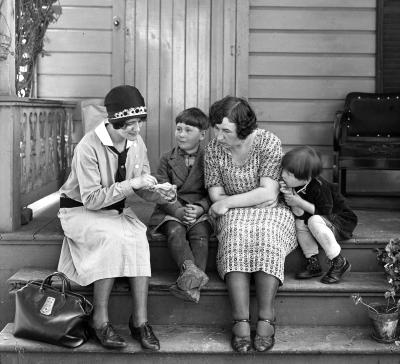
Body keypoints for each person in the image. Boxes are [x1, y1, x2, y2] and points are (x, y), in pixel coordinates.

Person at [57, 85, 176, 351]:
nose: (135, 130)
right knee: (110, 238)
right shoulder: (88, 146)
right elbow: (91, 199)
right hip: (81, 210)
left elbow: (142, 189)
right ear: (112, 121)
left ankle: (140, 321)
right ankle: (99, 319)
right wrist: (133, 183)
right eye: (128, 124)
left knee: (137, 237)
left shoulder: (137, 143)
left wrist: (160, 195)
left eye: (139, 123)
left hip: (114, 210)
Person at [204, 96, 297, 353]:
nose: (219, 136)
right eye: (216, 128)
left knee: (267, 234)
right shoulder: (213, 149)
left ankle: (267, 316)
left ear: (244, 131)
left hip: (271, 211)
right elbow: (216, 196)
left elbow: (269, 193)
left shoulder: (268, 142)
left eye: (226, 131)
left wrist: (230, 201)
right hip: (234, 212)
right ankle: (240, 320)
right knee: (234, 234)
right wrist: (242, 200)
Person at [149, 107, 212, 303]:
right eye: (179, 129)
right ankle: (193, 276)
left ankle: (190, 282)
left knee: (200, 233)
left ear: (202, 135)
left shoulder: (210, 158)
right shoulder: (167, 158)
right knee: (175, 231)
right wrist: (177, 209)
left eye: (188, 130)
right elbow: (160, 189)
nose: (181, 134)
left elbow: (215, 190)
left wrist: (201, 207)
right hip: (171, 209)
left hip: (199, 211)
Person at [280, 145, 357, 284]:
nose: (283, 175)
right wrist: (292, 201)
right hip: (319, 221)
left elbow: (326, 212)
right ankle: (313, 263)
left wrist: (299, 202)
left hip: (340, 220)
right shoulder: (293, 186)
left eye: (289, 174)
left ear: (306, 177)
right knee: (300, 222)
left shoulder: (320, 186)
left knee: (314, 220)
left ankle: (339, 261)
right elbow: (300, 214)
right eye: (283, 170)